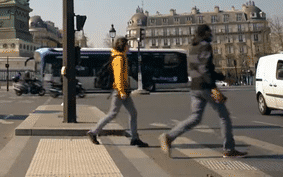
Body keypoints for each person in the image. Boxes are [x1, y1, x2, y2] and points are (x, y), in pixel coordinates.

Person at [159, 24, 247, 158]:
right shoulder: (205, 46)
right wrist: (214, 88)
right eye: (209, 31)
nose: (211, 33)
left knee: (195, 117)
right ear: (205, 33)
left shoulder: (193, 47)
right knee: (224, 116)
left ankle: (169, 137)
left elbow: (200, 68)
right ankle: (229, 149)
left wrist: (223, 77)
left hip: (195, 87)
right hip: (206, 87)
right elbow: (205, 69)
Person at [86, 36, 148, 147]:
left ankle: (134, 138)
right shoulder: (119, 59)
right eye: (127, 45)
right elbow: (118, 77)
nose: (129, 46)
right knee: (113, 114)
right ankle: (93, 132)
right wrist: (122, 92)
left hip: (124, 90)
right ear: (123, 46)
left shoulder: (121, 57)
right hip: (120, 91)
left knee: (133, 113)